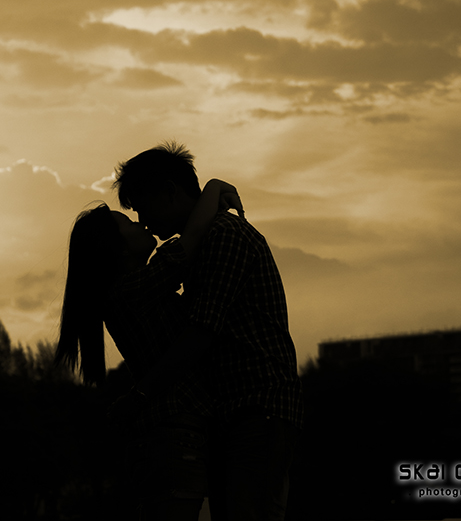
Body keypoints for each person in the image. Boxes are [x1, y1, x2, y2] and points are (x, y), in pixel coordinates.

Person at [113, 141, 303, 521]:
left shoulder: (222, 236)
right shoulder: (203, 243)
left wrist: (139, 395)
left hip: (257, 408)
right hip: (237, 413)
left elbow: (201, 332)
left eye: (141, 206)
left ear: (168, 192)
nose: (144, 221)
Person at [55, 178, 242, 520]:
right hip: (176, 439)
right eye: (127, 223)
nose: (139, 221)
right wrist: (213, 188)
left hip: (171, 438)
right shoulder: (133, 289)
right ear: (117, 248)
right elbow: (191, 240)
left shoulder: (128, 294)